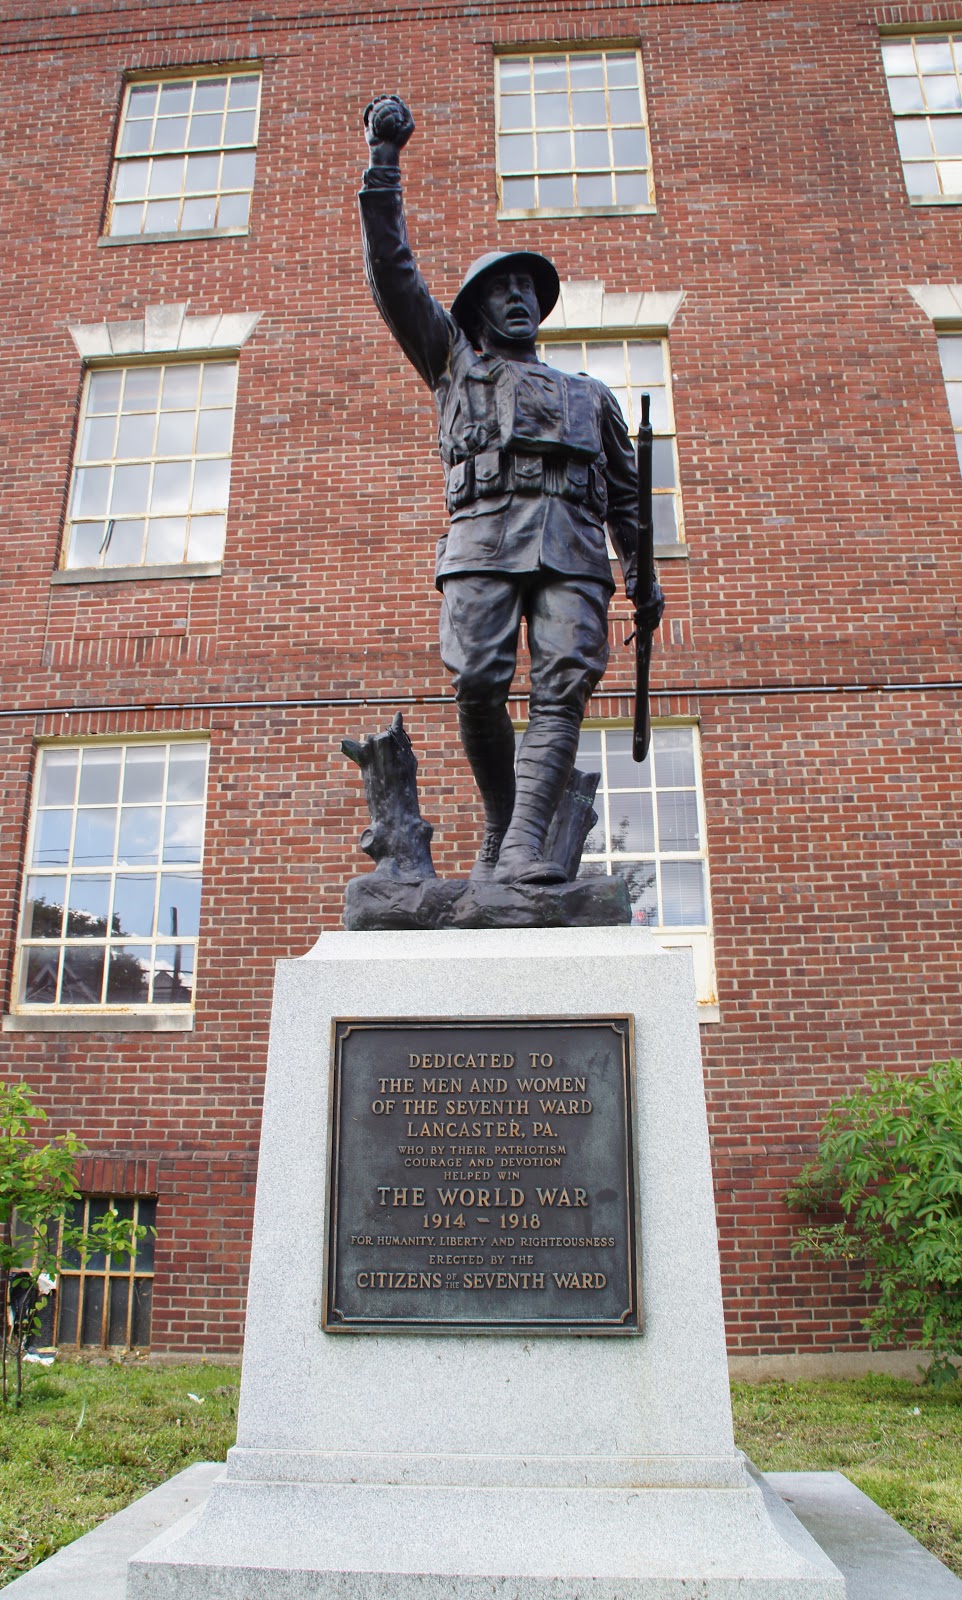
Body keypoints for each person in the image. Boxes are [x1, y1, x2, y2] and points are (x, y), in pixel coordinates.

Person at [359, 94, 663, 885]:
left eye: (530, 287)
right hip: (483, 537)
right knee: (479, 682)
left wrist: (643, 575)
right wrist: (383, 162)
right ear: (476, 310)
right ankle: (502, 819)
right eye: (503, 288)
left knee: (564, 682)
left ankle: (524, 844)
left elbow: (629, 500)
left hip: (572, 547)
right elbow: (394, 274)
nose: (520, 297)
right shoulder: (451, 363)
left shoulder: (589, 394)